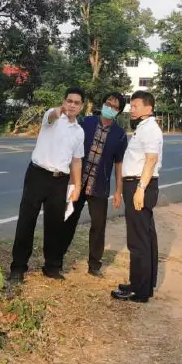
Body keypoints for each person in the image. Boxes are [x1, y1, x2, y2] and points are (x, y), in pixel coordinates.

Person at [9, 87, 85, 282]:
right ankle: (18, 267)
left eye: (76, 103)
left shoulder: (79, 132)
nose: (72, 105)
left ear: (82, 107)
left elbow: (76, 161)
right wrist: (59, 111)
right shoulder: (51, 118)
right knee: (27, 221)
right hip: (38, 175)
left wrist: (76, 186)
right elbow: (52, 115)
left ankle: (52, 266)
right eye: (69, 101)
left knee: (55, 225)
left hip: (60, 180)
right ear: (64, 101)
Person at [59, 91, 128, 276]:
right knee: (68, 221)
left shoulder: (120, 135)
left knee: (98, 226)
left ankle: (94, 265)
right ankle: (56, 260)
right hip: (77, 183)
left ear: (119, 111)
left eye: (115, 107)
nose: (110, 108)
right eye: (108, 104)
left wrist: (119, 191)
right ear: (102, 104)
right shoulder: (86, 123)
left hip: (99, 187)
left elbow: (119, 164)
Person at [113, 90, 162, 303]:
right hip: (138, 185)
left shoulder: (150, 129)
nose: (131, 109)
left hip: (140, 186)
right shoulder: (144, 127)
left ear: (148, 108)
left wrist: (140, 189)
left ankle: (139, 291)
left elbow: (151, 160)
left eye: (135, 106)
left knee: (138, 239)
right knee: (145, 236)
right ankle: (143, 284)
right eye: (131, 106)